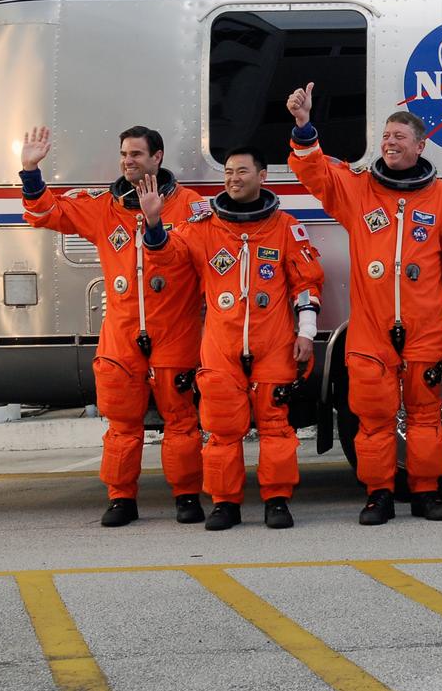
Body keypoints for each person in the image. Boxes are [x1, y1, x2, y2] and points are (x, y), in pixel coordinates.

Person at [286, 83, 442, 525]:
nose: (390, 143)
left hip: (427, 323)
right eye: (386, 137)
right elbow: (316, 173)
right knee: (372, 416)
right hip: (372, 327)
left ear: (420, 145)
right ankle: (378, 494)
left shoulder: (441, 197)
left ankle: (427, 492)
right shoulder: (359, 190)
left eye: (400, 138)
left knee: (427, 414)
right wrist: (303, 126)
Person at [20, 126, 205, 527]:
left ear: (157, 157)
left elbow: (184, 257)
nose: (128, 161)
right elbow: (45, 213)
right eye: (124, 153)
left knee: (181, 420)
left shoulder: (190, 206)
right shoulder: (105, 207)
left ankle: (187, 495)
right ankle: (122, 498)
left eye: (136, 154)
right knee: (121, 423)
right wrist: (31, 170)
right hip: (122, 332)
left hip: (174, 328)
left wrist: (155, 223)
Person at [138, 146, 324, 531]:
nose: (233, 178)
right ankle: (225, 504)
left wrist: (306, 332)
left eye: (241, 171)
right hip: (221, 347)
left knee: (275, 427)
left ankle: (277, 501)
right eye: (227, 172)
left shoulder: (285, 227)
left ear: (262, 177)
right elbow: (168, 258)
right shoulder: (204, 227)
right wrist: (154, 223)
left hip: (273, 343)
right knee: (221, 429)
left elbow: (306, 284)